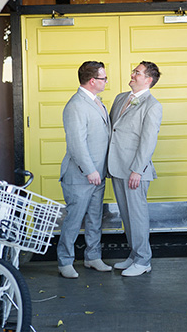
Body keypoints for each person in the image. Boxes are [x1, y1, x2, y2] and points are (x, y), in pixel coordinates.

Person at [58, 61, 114, 278]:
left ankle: (93, 257)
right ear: (93, 81)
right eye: (103, 78)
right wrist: (90, 170)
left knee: (94, 217)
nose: (106, 81)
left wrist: (99, 171)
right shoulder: (76, 105)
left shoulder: (96, 101)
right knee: (74, 220)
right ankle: (65, 261)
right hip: (81, 175)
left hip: (98, 175)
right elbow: (76, 143)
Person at [107, 61, 163, 277]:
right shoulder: (121, 98)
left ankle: (143, 260)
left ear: (148, 79)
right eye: (134, 71)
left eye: (137, 73)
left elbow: (148, 142)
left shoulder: (152, 105)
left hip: (135, 171)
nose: (132, 74)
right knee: (126, 215)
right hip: (117, 166)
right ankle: (133, 254)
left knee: (137, 215)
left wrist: (137, 170)